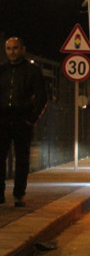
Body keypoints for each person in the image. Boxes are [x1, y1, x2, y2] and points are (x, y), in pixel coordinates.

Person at [0, 37, 48, 207]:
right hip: (3, 119)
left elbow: (42, 97)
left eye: (15, 48)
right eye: (8, 48)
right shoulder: (3, 71)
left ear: (22, 49)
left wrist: (32, 118)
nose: (12, 51)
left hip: (22, 119)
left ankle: (19, 194)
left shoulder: (32, 71)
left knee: (22, 159)